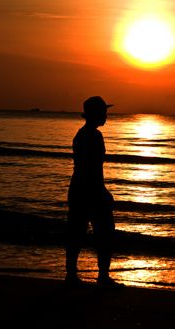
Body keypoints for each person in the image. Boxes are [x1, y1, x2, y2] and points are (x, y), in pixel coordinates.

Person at [65, 96, 121, 287]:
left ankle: (72, 275)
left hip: (79, 188)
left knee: (77, 233)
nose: (106, 115)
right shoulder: (93, 137)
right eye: (103, 112)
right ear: (95, 114)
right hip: (90, 189)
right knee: (104, 233)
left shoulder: (82, 135)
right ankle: (102, 276)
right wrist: (103, 192)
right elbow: (92, 169)